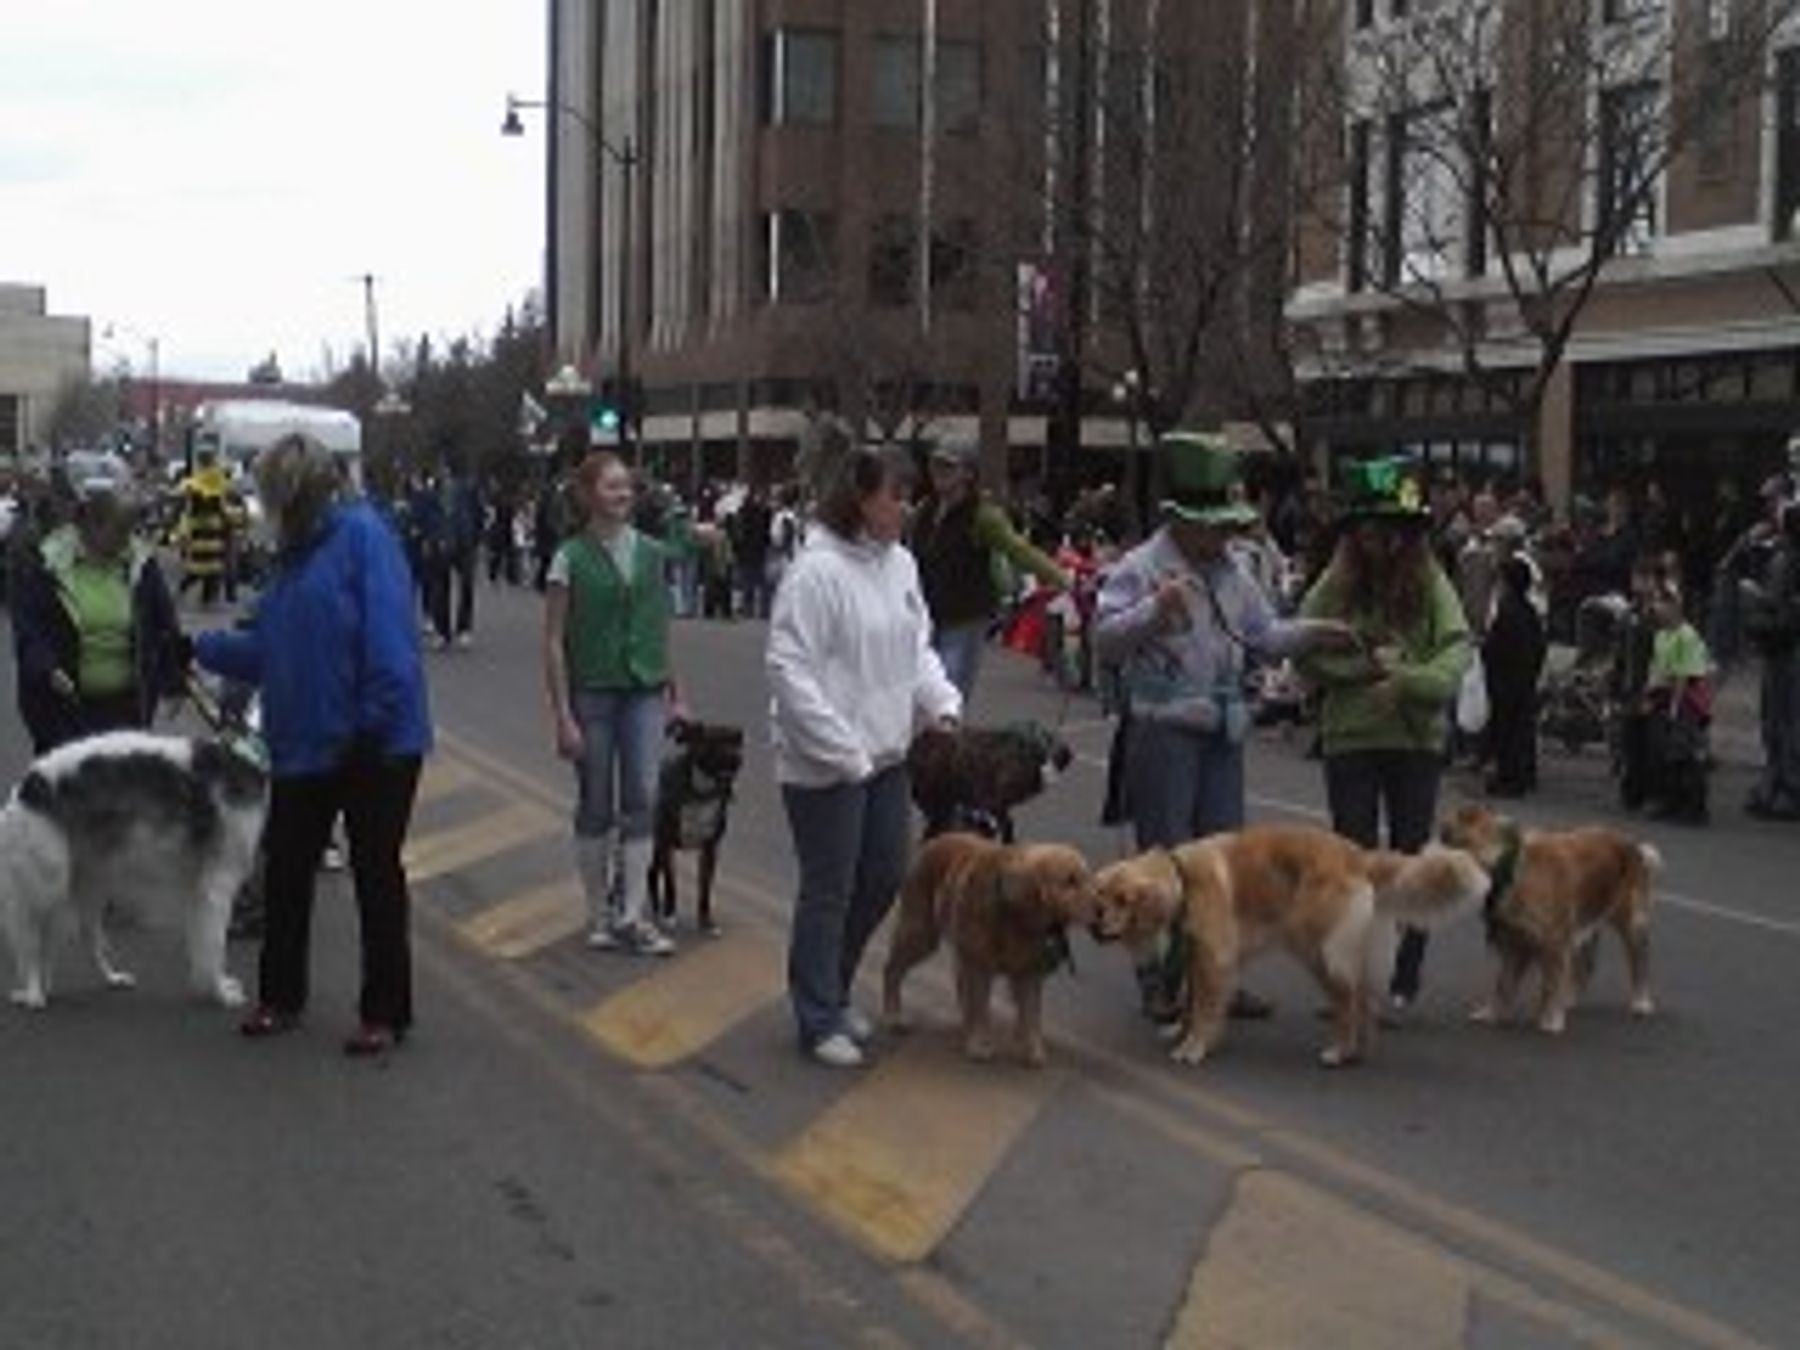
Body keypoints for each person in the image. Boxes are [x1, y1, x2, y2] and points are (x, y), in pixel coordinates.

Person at [1094, 432, 1355, 1019]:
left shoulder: (1235, 572)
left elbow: (1263, 636)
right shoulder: (1141, 568)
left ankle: (1217, 977)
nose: (1223, 539)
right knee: (1160, 864)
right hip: (1163, 726)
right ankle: (1160, 982)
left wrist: (1317, 630)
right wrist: (1153, 611)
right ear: (1182, 521)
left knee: (1225, 870)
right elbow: (1105, 639)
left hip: (1222, 730)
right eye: (1214, 528)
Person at [192, 433, 432, 1056]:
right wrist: (196, 649)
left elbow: (389, 643)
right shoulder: (292, 558)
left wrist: (371, 724)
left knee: (376, 873)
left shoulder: (363, 538)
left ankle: (385, 1010)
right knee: (287, 867)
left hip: (374, 742)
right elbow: (271, 648)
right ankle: (280, 995)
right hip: (305, 739)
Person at [767, 427, 962, 1069]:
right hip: (825, 762)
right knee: (830, 886)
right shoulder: (815, 573)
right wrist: (841, 749)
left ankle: (834, 984)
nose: (905, 508)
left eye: (909, 496)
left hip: (886, 754)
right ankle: (817, 1012)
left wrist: (940, 702)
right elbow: (789, 670)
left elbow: (917, 645)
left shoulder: (900, 564)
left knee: (881, 876)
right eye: (895, 496)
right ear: (859, 498)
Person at [1297, 456, 1472, 1014]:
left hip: (1414, 740)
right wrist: (1359, 673)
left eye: (1394, 530)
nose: (1383, 541)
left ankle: (1401, 979)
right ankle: (1349, 978)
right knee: (1350, 863)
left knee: (1411, 862)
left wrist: (1408, 682)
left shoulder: (1429, 577)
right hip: (1350, 737)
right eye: (1372, 529)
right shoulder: (1336, 581)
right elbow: (1302, 645)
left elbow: (1456, 649)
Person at [543, 451, 680, 957]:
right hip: (593, 691)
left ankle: (633, 913)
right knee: (596, 800)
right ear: (587, 495)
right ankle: (597, 912)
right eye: (611, 486)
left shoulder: (650, 552)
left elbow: (657, 625)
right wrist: (562, 715)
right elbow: (554, 638)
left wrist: (673, 688)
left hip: (643, 689)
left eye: (627, 486)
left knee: (643, 794)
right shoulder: (570, 558)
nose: (622, 495)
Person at [13, 485, 186, 754]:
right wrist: (48, 667)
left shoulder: (141, 563)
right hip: (65, 709)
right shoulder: (47, 564)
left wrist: (175, 681)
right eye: (118, 532)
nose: (126, 542)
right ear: (90, 526)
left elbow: (164, 623)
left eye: (130, 532)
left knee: (121, 787)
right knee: (71, 788)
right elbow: (28, 629)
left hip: (128, 706)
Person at [909, 435, 1068, 701]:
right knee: (921, 692)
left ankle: (948, 739)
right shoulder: (924, 511)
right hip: (927, 615)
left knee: (950, 691)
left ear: (968, 473)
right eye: (936, 464)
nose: (939, 472)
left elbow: (1018, 550)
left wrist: (1061, 577)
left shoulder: (983, 515)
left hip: (965, 616)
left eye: (949, 466)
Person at [1482, 554, 1548, 797]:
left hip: (1505, 681)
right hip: (1524, 679)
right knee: (1522, 729)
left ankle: (1508, 779)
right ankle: (1523, 775)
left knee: (1506, 732)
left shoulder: (1507, 610)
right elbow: (1539, 646)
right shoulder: (1528, 611)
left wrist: (1486, 652)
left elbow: (1496, 648)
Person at [175, 449, 235, 607]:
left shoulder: (196, 481)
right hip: (211, 530)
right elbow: (223, 504)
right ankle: (205, 599)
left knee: (199, 568)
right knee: (209, 569)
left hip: (201, 530)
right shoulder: (217, 480)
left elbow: (184, 498)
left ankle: (196, 596)